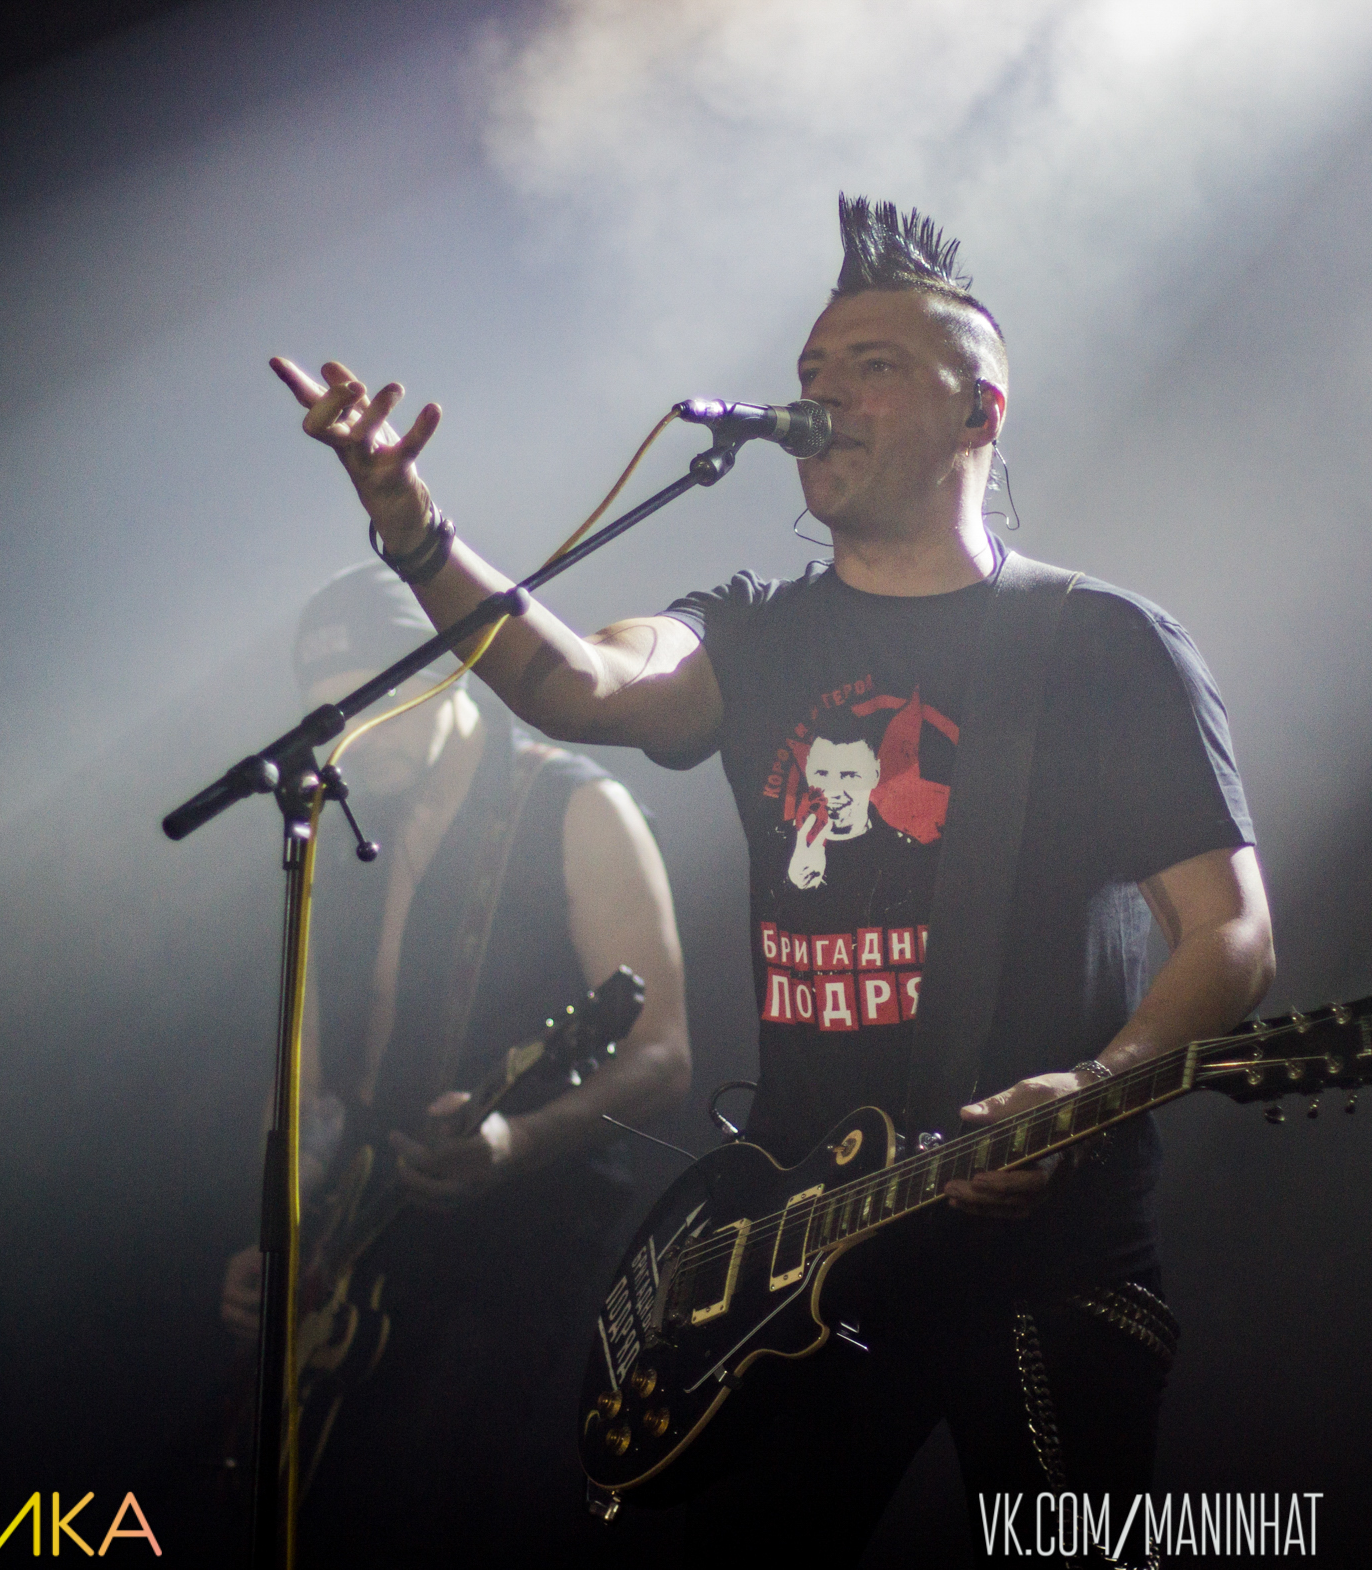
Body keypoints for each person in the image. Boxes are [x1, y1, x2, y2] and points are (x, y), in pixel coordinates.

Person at [270, 195, 1275, 1566]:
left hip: (1045, 1256)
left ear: (979, 413)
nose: (824, 394)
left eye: (874, 366)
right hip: (792, 1247)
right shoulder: (750, 633)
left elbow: (1230, 932)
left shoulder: (1100, 643)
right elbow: (580, 682)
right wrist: (418, 529)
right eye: (812, 369)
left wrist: (1094, 1090)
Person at [219, 563, 691, 1566]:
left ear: (446, 674)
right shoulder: (343, 830)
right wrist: (281, 1235)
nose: (354, 737)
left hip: (515, 1263)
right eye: (332, 717)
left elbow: (664, 1054)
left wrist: (515, 1141)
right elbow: (306, 1077)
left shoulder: (576, 809)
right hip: (363, 1248)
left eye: (374, 705)